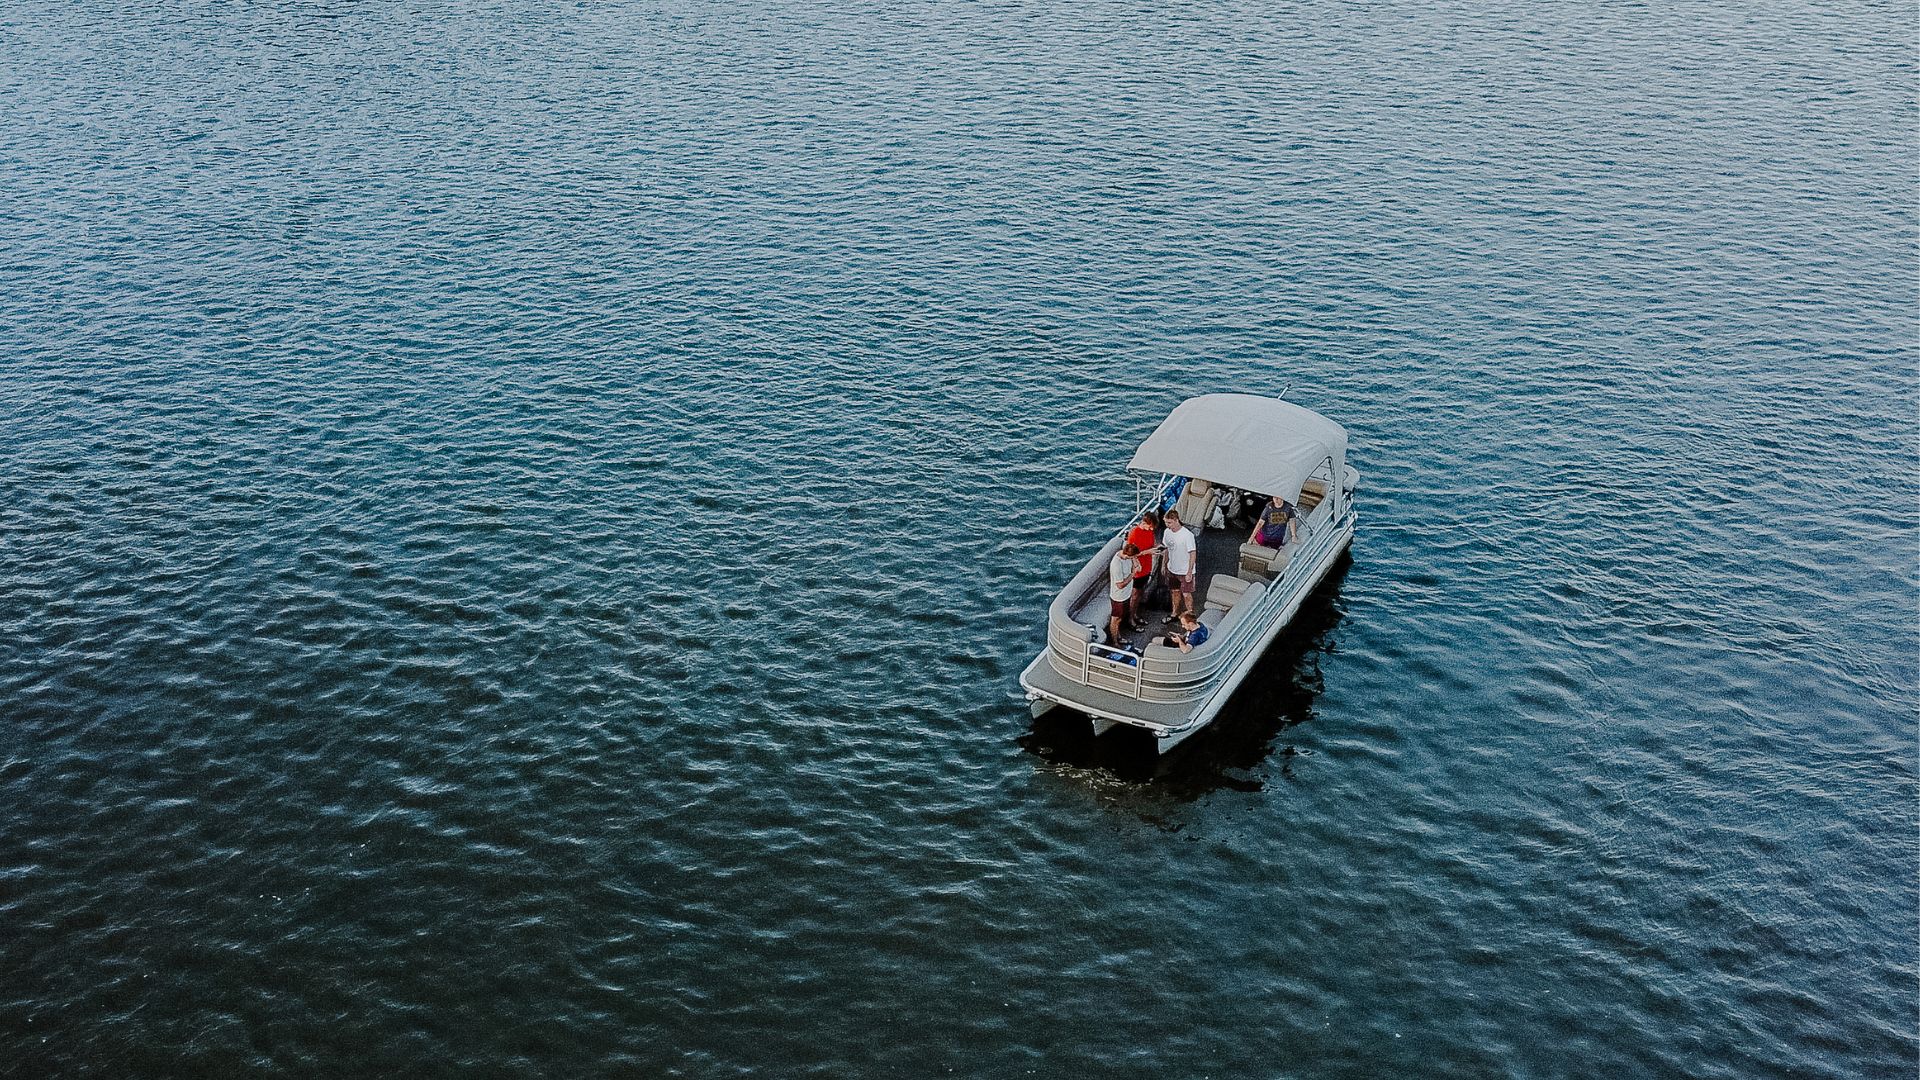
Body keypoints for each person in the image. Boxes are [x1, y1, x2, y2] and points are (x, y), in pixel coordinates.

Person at [1160, 509, 1198, 622]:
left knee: (1186, 594)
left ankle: (1190, 616)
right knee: (1174, 591)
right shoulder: (1167, 532)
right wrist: (1164, 564)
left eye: (1169, 523)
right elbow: (1167, 549)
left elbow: (1192, 553)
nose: (1167, 525)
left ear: (1176, 520)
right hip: (1172, 568)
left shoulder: (1187, 535)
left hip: (1184, 570)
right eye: (1166, 523)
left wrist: (1189, 572)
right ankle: (1174, 613)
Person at [1126, 511, 1160, 628]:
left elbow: (1152, 544)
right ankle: (1130, 618)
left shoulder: (1149, 532)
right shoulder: (1134, 533)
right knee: (1135, 594)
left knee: (1140, 592)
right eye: (1150, 527)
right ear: (1144, 523)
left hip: (1147, 567)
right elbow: (1131, 554)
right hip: (1138, 569)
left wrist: (1157, 548)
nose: (1151, 530)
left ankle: (1135, 614)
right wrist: (1148, 552)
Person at [1107, 542, 1139, 645]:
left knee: (1120, 618)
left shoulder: (1126, 556)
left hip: (1126, 594)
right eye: (1132, 557)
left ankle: (1119, 637)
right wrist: (1132, 574)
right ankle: (1115, 642)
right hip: (1118, 597)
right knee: (1116, 619)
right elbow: (1120, 585)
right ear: (1127, 556)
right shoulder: (1116, 565)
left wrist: (1135, 560)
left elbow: (1135, 562)